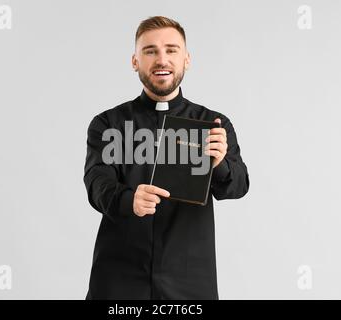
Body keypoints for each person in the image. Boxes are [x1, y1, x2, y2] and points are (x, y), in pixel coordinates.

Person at [84, 16, 250, 299]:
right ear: (135, 61)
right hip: (118, 279)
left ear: (186, 59)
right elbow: (96, 182)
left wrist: (220, 164)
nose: (162, 59)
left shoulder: (213, 125)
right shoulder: (108, 123)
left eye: (171, 50)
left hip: (189, 280)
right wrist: (128, 200)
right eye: (150, 51)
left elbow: (238, 186)